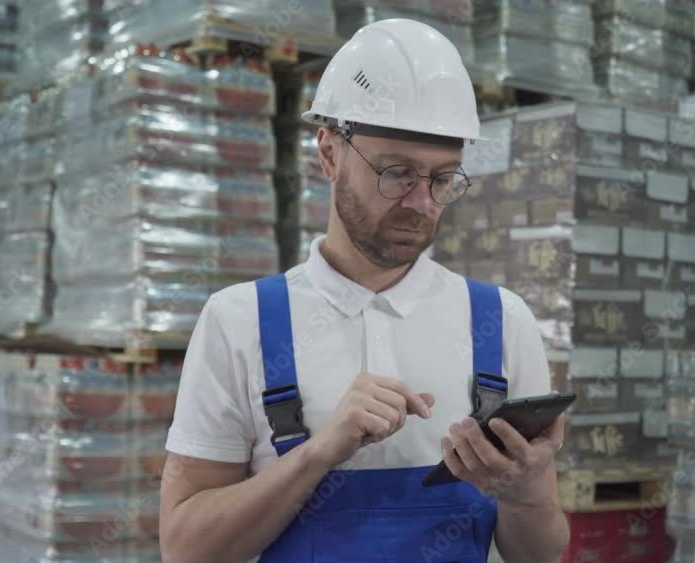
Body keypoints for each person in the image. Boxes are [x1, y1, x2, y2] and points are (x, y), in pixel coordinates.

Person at [159, 18, 570, 563]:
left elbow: (540, 555)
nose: (421, 203)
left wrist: (525, 495)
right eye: (397, 173)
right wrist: (317, 455)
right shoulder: (239, 321)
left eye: (442, 179)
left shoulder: (501, 322)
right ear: (329, 153)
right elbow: (185, 547)